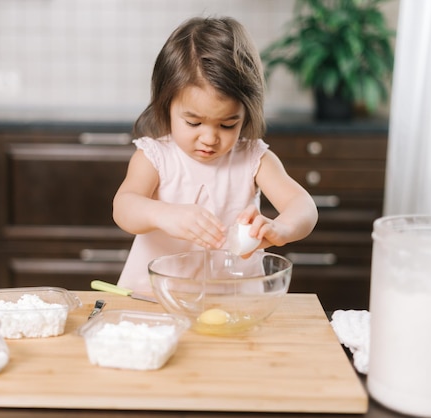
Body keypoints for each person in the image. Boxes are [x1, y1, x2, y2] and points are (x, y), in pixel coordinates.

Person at [113, 16, 318, 291]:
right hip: (156, 298)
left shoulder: (254, 159)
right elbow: (124, 207)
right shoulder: (155, 156)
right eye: (193, 122)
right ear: (166, 106)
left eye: (227, 124)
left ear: (246, 113)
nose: (209, 138)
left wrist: (281, 228)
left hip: (233, 304)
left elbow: (303, 206)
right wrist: (163, 214)